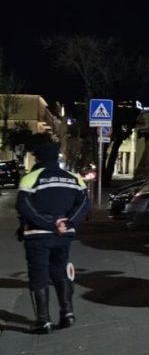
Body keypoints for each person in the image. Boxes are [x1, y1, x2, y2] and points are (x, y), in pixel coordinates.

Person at [16, 142, 90, 334]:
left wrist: (48, 224)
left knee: (38, 274)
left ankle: (43, 321)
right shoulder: (74, 179)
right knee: (60, 270)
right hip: (63, 235)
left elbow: (24, 206)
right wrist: (68, 223)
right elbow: (84, 204)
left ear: (39, 158)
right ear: (56, 157)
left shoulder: (30, 178)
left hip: (38, 235)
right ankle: (67, 313)